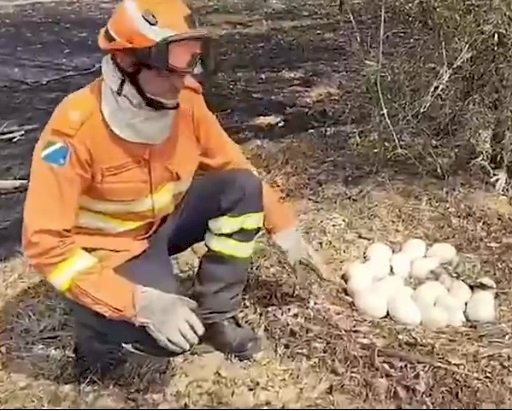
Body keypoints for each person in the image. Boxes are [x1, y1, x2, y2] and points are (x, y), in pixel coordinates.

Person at [21, 0, 326, 377]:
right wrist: (138, 303)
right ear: (128, 62)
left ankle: (216, 316)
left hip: (162, 224)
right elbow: (46, 243)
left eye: (191, 59)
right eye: (172, 64)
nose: (183, 78)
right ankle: (96, 336)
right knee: (162, 338)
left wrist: (281, 222)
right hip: (110, 252)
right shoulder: (71, 134)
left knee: (241, 188)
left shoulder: (186, 104)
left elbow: (232, 165)